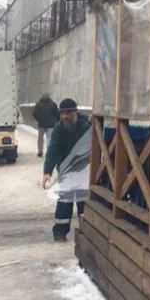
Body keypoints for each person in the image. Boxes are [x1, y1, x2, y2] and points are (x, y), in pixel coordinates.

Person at [41, 98, 90, 242]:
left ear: (75, 112)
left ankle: (87, 230)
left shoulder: (86, 125)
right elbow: (52, 150)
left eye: (68, 113)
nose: (65, 117)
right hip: (66, 171)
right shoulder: (59, 129)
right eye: (62, 114)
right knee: (64, 203)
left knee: (84, 202)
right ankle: (60, 232)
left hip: (83, 171)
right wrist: (47, 172)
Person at [31, 93, 59, 158]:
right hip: (51, 125)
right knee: (49, 138)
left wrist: (39, 119)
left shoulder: (38, 104)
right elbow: (57, 114)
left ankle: (40, 152)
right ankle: (49, 152)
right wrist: (57, 121)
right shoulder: (53, 104)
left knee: (40, 139)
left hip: (41, 124)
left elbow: (34, 113)